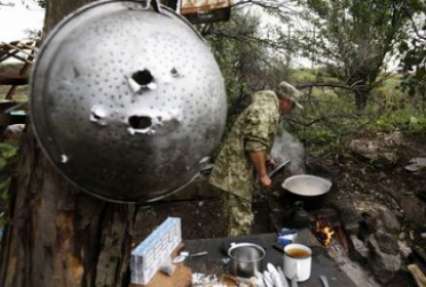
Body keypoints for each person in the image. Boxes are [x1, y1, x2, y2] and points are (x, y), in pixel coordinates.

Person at [209, 81, 302, 236]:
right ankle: (239, 257)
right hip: (234, 176)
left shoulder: (267, 108)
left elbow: (255, 140)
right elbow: (254, 146)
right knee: (241, 223)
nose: (291, 110)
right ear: (286, 101)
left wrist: (266, 158)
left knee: (232, 219)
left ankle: (229, 248)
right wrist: (263, 175)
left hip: (234, 173)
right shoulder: (265, 110)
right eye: (292, 105)